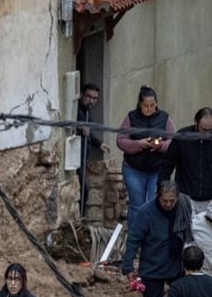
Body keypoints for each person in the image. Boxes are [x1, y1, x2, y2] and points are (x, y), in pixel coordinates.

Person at [122, 181, 185, 297]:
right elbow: (133, 239)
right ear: (158, 197)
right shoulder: (144, 213)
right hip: (152, 268)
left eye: (172, 201)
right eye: (165, 201)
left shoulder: (183, 209)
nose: (168, 205)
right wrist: (128, 266)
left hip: (176, 265)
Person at [116, 85, 176, 227]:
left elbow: (174, 141)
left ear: (156, 104)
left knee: (153, 204)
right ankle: (135, 238)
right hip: (133, 169)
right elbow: (120, 141)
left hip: (157, 169)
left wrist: (161, 145)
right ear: (139, 104)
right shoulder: (131, 117)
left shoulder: (164, 118)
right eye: (145, 105)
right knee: (137, 205)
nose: (149, 109)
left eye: (152, 105)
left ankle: (151, 238)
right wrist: (138, 144)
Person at [160, 107, 212, 215]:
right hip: (185, 197)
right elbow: (168, 164)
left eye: (210, 131)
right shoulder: (182, 137)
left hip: (210, 200)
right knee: (185, 230)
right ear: (196, 122)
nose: (207, 134)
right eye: (203, 130)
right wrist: (161, 187)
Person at [76, 83, 110, 217]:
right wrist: (80, 128)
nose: (91, 101)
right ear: (81, 95)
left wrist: (98, 143)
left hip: (83, 159)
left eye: (95, 98)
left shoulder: (87, 112)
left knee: (85, 191)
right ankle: (80, 222)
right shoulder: (77, 110)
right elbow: (73, 125)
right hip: (75, 159)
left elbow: (88, 132)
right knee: (83, 191)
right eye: (89, 96)